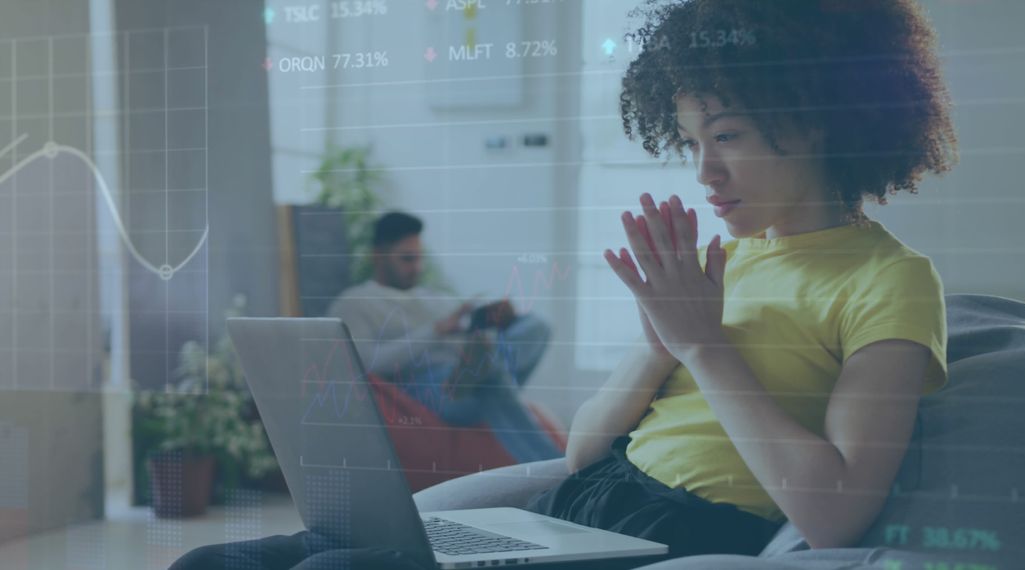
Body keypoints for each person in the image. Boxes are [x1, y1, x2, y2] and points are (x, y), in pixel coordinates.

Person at [172, 0, 957, 567]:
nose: (705, 172)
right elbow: (583, 448)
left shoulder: (891, 281)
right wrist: (658, 349)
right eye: (690, 142)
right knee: (212, 564)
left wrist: (704, 346)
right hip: (595, 502)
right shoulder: (731, 260)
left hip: (687, 531)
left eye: (727, 138)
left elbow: (835, 513)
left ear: (815, 119)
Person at [325, 211, 562, 464]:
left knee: (536, 326)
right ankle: (557, 465)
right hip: (427, 385)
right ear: (378, 255)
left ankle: (482, 369)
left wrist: (492, 320)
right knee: (490, 379)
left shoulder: (436, 298)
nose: (416, 268)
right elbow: (368, 362)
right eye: (406, 259)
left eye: (419, 259)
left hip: (463, 370)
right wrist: (436, 331)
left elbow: (468, 341)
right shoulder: (355, 302)